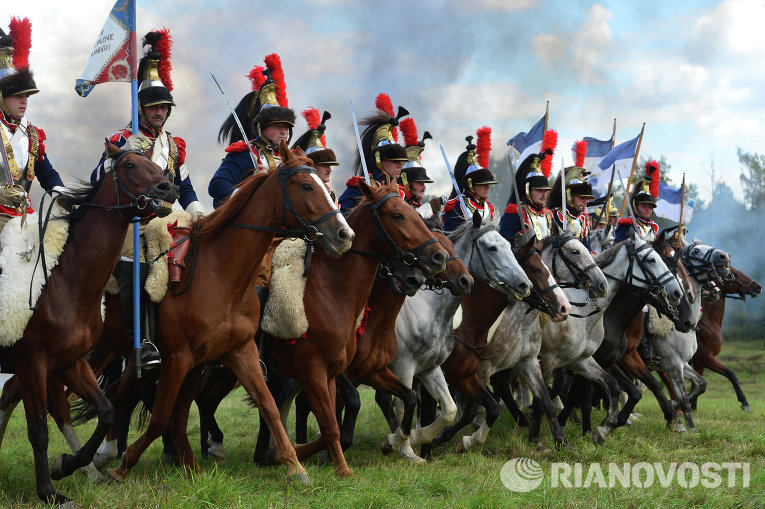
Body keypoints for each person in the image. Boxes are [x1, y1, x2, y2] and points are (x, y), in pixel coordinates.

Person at [90, 30, 205, 366]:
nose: (159, 112)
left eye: (164, 106)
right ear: (140, 107)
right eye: (153, 106)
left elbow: (185, 185)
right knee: (132, 263)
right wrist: (125, 152)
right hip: (133, 219)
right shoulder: (122, 137)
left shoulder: (174, 144)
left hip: (168, 217)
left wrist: (197, 210)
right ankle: (138, 342)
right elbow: (99, 179)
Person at [0, 17, 66, 246]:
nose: (24, 101)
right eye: (18, 95)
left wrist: (60, 192)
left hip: (23, 217)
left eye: (26, 96)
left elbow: (46, 173)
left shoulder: (31, 134)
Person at [208, 54, 296, 208]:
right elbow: (217, 185)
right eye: (277, 126)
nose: (283, 131)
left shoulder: (292, 159)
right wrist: (246, 197)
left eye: (286, 127)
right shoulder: (246, 153)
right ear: (261, 128)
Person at [337, 93, 409, 214]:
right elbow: (342, 217)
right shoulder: (360, 186)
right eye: (395, 161)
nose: (400, 165)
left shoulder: (400, 192)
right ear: (379, 159)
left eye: (401, 162)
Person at [442, 127, 497, 233]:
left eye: (488, 184)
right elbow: (451, 240)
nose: (487, 187)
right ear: (471, 184)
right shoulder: (455, 205)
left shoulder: (490, 207)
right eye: (483, 184)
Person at [499, 149, 555, 246]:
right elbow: (503, 245)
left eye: (545, 190)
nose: (543, 194)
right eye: (539, 190)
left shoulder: (548, 214)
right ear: (527, 190)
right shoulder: (516, 212)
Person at [291, 107, 339, 204]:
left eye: (329, 165)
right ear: (310, 165)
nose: (329, 170)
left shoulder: (332, 195)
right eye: (324, 165)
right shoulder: (298, 194)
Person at [547, 165, 594, 251]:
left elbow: (586, 247)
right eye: (582, 197)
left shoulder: (583, 218)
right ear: (569, 196)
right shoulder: (554, 215)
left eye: (587, 198)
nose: (586, 202)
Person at [398, 117, 437, 217]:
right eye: (420, 183)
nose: (424, 188)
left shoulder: (417, 205)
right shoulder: (396, 201)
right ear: (405, 179)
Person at [614, 161, 660, 243]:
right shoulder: (627, 225)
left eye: (650, 206)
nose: (647, 209)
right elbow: (617, 249)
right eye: (644, 206)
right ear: (635, 206)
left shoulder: (653, 227)